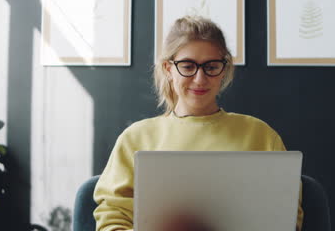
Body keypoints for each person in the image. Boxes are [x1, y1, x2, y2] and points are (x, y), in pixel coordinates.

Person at [93, 16, 304, 231]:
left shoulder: (260, 135)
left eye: (211, 67)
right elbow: (113, 219)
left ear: (224, 69)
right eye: (187, 66)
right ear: (168, 68)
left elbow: (287, 217)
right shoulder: (135, 138)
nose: (200, 79)